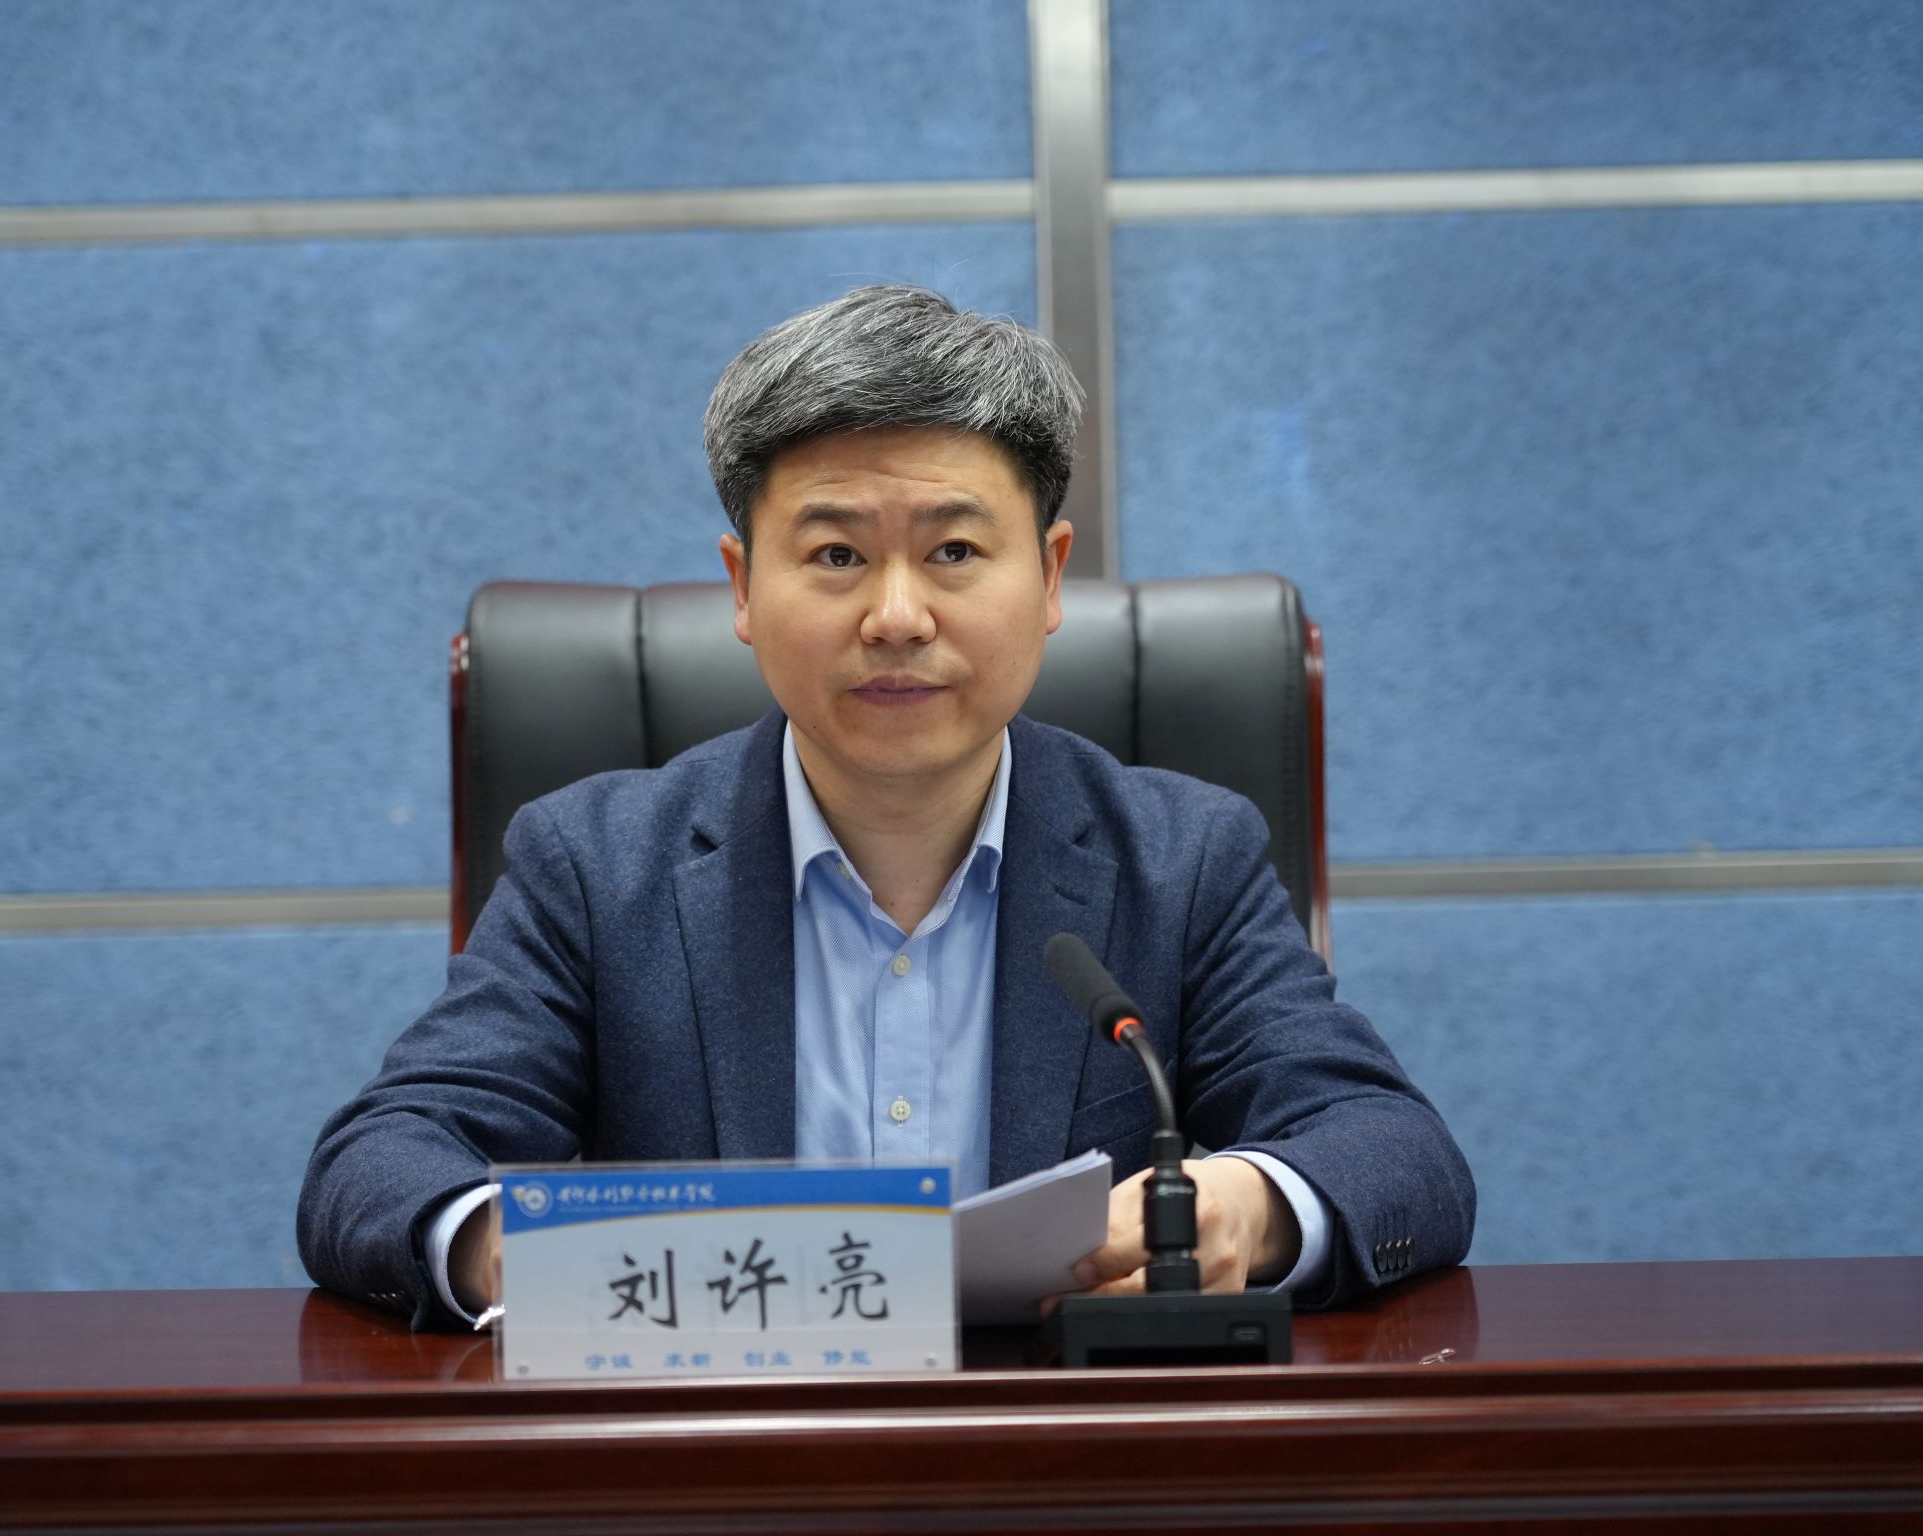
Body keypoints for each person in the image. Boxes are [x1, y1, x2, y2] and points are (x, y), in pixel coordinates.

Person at [298, 285, 1475, 1330]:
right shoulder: (595, 868)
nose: (897, 617)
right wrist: (516, 1246)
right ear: (741, 588)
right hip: (723, 1458)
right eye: (835, 557)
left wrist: (1250, 1207)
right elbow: (381, 1158)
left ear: (1049, 575)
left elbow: (1391, 1149)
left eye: (954, 550)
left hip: (1066, 1458)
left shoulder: (1182, 861)